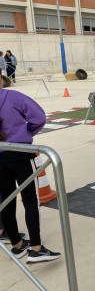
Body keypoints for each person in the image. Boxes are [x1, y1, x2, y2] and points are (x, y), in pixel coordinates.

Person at [0, 68, 61, 263]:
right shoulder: (13, 97)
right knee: (29, 199)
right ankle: (36, 247)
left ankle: (17, 245)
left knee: (6, 199)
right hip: (19, 154)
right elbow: (39, 118)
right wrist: (25, 134)